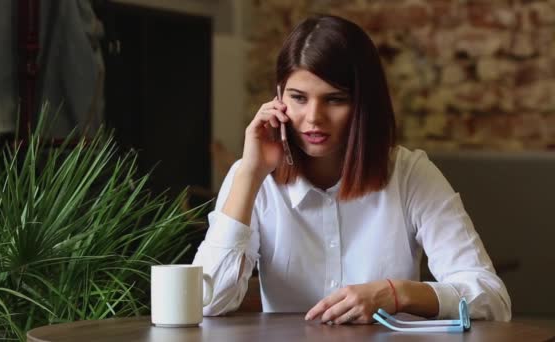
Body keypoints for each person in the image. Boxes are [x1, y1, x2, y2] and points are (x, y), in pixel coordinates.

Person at [192, 14, 511, 324]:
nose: (314, 117)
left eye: (335, 100)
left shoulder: (410, 175)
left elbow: (492, 298)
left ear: (363, 104)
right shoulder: (252, 176)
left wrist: (396, 294)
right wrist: (250, 172)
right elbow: (206, 302)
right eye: (299, 98)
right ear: (278, 98)